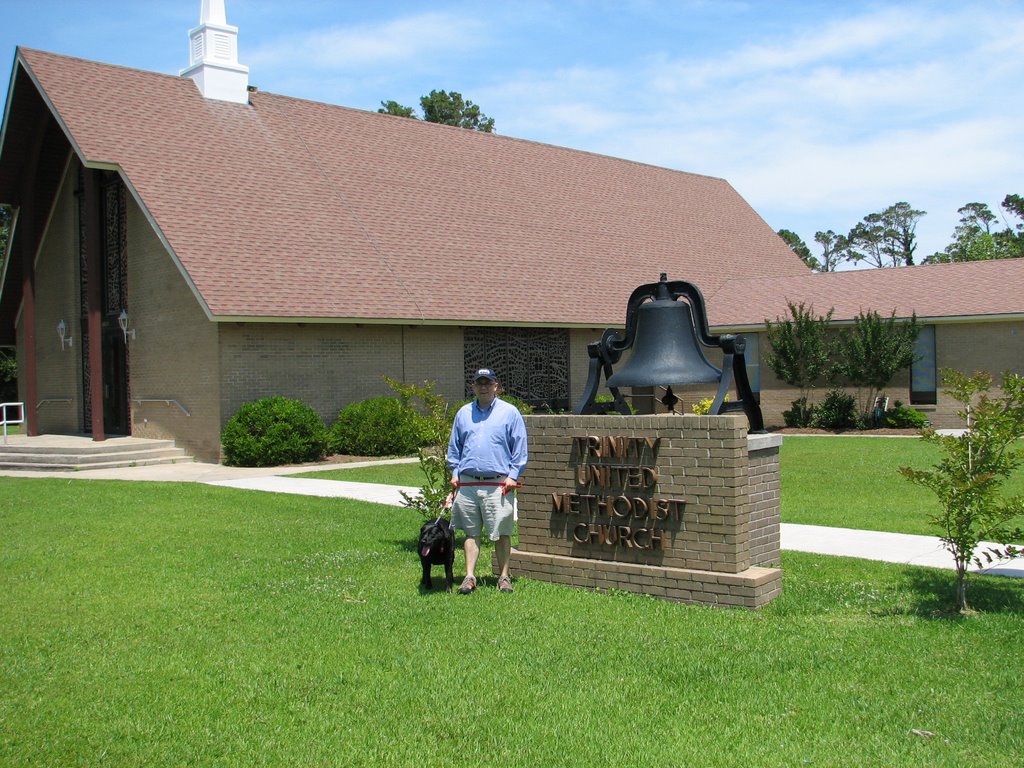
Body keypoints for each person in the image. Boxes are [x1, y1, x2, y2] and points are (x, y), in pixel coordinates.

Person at [446, 368, 528, 594]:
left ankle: (503, 577)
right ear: (473, 387)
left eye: (487, 383)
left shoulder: (509, 413)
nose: (483, 387)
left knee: (502, 532)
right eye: (479, 383)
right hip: (468, 483)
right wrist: (455, 472)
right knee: (470, 532)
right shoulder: (463, 413)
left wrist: (513, 476)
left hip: (499, 484)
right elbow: (455, 447)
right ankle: (469, 577)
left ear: (496, 386)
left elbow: (519, 448)